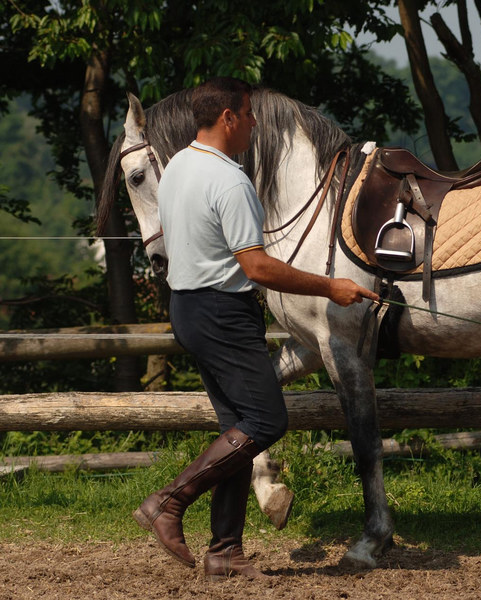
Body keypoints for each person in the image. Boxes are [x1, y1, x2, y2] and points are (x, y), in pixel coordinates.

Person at [132, 77, 378, 580]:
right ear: (228, 118)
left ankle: (225, 551)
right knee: (267, 423)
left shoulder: (177, 163)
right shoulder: (230, 180)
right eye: (248, 114)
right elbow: (259, 268)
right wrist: (332, 287)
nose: (254, 123)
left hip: (188, 308)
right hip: (223, 313)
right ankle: (168, 501)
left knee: (237, 433)